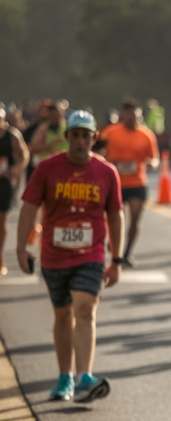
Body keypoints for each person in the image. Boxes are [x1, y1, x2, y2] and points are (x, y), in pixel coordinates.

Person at [15, 110, 123, 402]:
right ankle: (65, 378)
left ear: (93, 138)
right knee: (62, 315)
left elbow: (115, 215)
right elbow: (28, 207)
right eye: (75, 135)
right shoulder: (47, 169)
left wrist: (117, 258)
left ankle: (84, 376)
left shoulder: (106, 172)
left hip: (91, 254)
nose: (80, 141)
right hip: (53, 256)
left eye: (85, 136)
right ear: (67, 137)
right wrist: (21, 247)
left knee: (85, 308)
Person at [101, 99, 159, 266]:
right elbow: (99, 150)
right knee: (116, 218)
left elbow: (154, 158)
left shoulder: (146, 135)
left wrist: (152, 164)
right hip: (115, 182)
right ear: (122, 115)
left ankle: (127, 253)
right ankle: (114, 245)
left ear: (140, 116)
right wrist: (107, 160)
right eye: (129, 115)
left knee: (135, 219)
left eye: (135, 115)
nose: (132, 118)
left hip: (137, 182)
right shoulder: (110, 132)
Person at [0, 104, 30, 275]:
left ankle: (0, 255)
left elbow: (24, 153)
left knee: (2, 219)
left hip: (4, 182)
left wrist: (18, 167)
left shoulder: (12, 135)